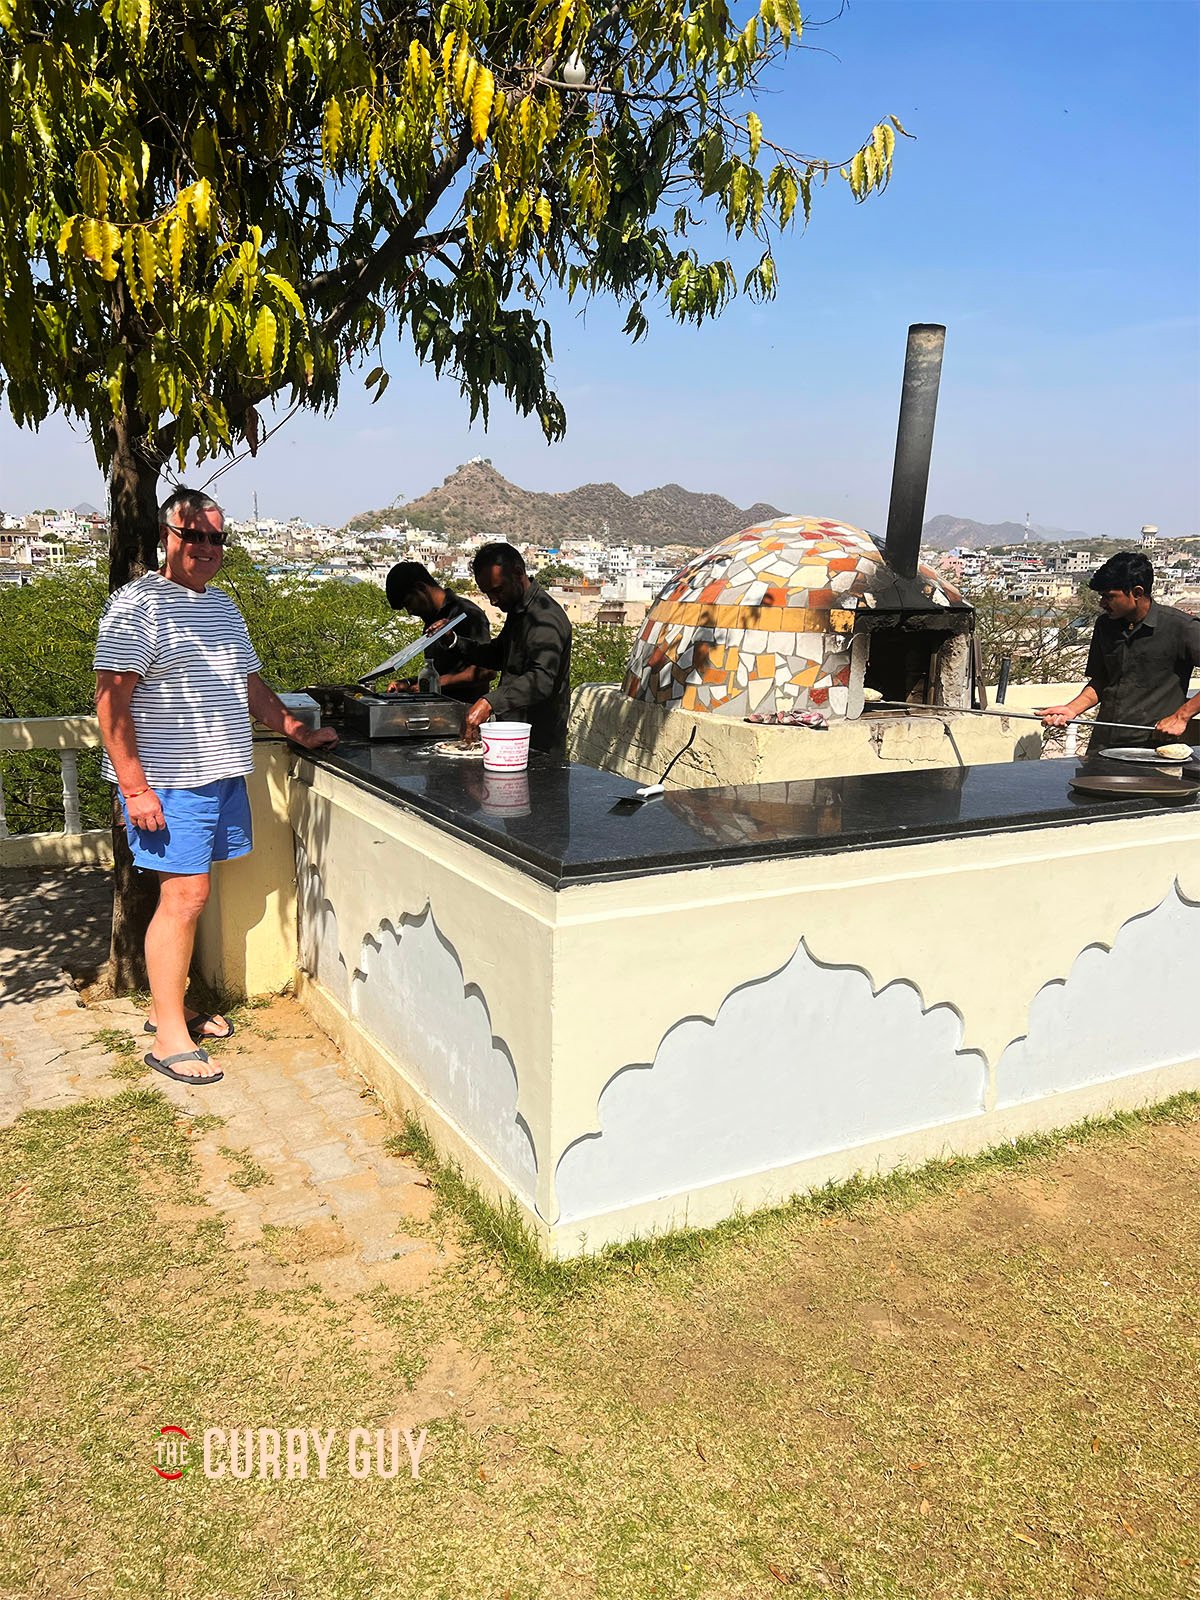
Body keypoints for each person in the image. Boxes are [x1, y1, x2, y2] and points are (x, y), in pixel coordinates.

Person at [94, 487, 338, 1087]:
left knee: (190, 897)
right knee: (184, 899)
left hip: (220, 772)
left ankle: (167, 1008)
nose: (204, 547)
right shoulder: (137, 606)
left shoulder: (222, 606)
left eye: (215, 537)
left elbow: (249, 685)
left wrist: (292, 729)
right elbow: (111, 703)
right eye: (191, 535)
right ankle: (169, 1036)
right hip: (168, 783)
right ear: (165, 536)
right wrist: (135, 790)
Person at [1041, 552, 1200, 752]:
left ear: (1137, 592)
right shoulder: (1105, 625)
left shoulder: (1182, 627)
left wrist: (1181, 716)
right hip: (1102, 745)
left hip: (1154, 750)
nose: (1102, 604)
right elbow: (1102, 680)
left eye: (1109, 597)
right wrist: (1071, 709)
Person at [455, 544, 573, 755]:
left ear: (518, 573)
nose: (493, 600)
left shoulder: (545, 618)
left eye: (498, 590)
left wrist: (489, 702)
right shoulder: (518, 610)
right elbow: (500, 655)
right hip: (512, 740)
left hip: (539, 748)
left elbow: (541, 679)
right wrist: (454, 642)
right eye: (487, 593)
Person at [382, 561, 493, 701]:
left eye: (408, 603)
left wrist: (434, 683)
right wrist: (409, 682)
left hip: (467, 713)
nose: (409, 612)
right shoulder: (431, 621)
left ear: (421, 587)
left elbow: (486, 671)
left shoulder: (467, 614)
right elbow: (439, 673)